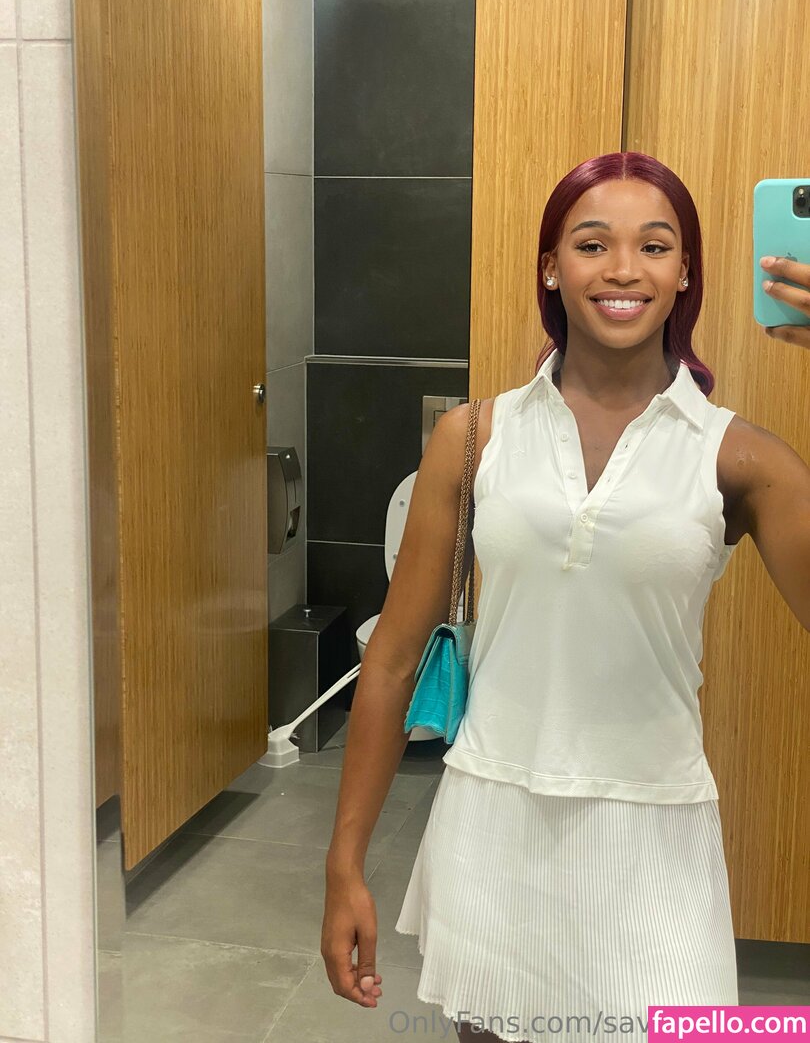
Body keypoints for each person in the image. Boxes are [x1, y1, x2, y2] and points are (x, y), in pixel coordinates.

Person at [320, 152, 810, 1043]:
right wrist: (344, 863)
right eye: (592, 244)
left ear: (686, 271)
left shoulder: (740, 458)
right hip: (494, 827)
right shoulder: (473, 437)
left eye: (654, 245)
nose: (623, 269)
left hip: (656, 839)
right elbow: (390, 662)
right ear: (551, 266)